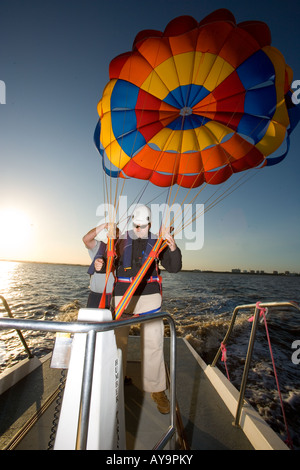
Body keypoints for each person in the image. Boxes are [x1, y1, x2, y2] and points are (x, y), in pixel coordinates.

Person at [111, 205, 182, 414]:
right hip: (123, 297)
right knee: (117, 342)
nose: (139, 229)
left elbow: (174, 267)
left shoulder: (157, 241)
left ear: (149, 224)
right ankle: (115, 380)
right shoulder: (121, 240)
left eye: (142, 226)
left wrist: (172, 248)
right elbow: (108, 261)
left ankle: (157, 389)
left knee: (154, 343)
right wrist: (100, 260)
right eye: (136, 225)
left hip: (149, 298)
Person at [83, 222, 115, 309]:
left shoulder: (123, 251)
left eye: (116, 232)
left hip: (113, 297)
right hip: (95, 295)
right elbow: (86, 239)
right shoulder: (99, 246)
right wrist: (104, 226)